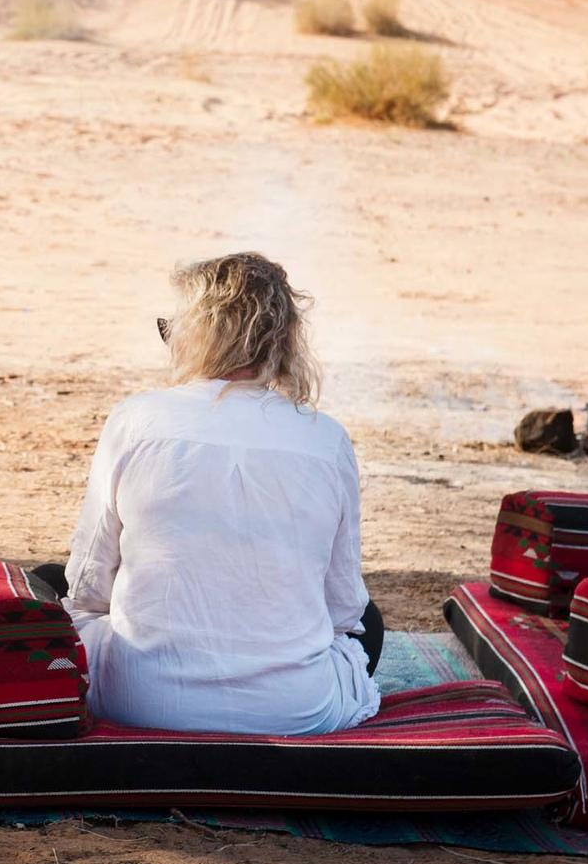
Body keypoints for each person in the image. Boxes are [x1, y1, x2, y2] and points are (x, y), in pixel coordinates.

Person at [54, 252, 383, 736]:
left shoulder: (135, 419)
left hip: (140, 701)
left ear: (196, 334)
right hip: (297, 713)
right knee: (369, 624)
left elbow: (88, 584)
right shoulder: (326, 439)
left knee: (52, 587)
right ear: (282, 341)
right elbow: (343, 607)